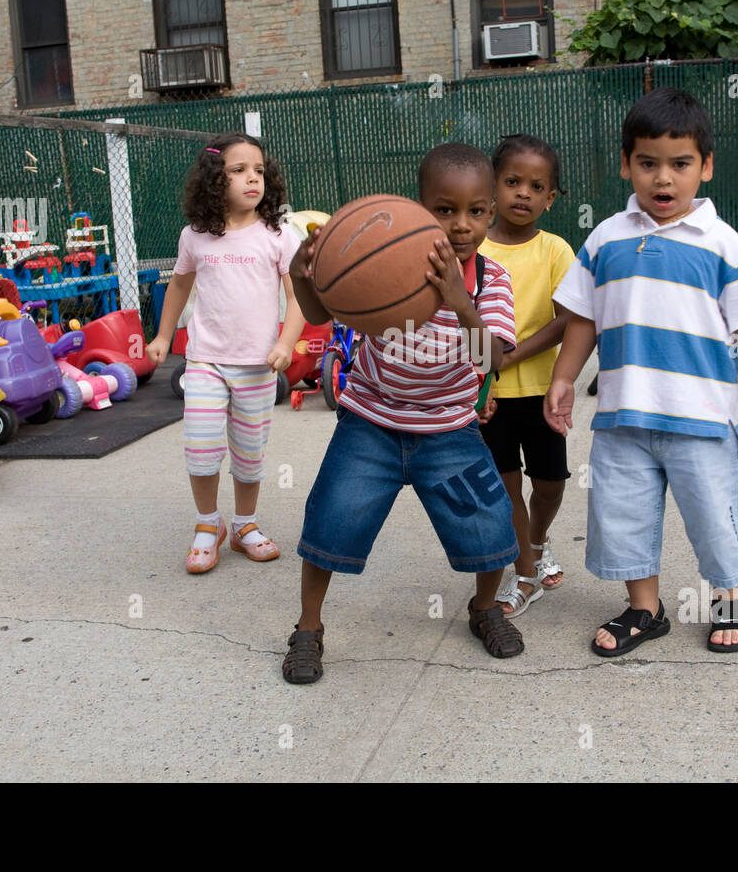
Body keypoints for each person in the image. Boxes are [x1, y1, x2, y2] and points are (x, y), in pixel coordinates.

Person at [545, 87, 738, 655]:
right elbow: (583, 321)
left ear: (706, 167)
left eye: (680, 164)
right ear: (626, 164)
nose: (662, 179)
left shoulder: (721, 245)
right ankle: (644, 610)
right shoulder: (605, 239)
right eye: (648, 163)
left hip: (702, 419)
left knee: (714, 516)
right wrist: (564, 377)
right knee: (622, 517)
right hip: (623, 419)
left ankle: (729, 597)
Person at [281, 143, 521, 685]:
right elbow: (325, 311)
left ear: (490, 212)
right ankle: (308, 628)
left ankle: (485, 609)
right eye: (444, 209)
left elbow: (493, 357)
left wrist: (461, 302)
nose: (462, 225)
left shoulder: (491, 281)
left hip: (450, 430)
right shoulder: (384, 261)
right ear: (419, 208)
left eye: (477, 211)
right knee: (329, 523)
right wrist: (304, 278)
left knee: (491, 529)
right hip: (371, 423)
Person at [145, 132, 305, 573]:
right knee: (200, 447)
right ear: (216, 180)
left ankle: (244, 526)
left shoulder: (279, 234)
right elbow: (179, 285)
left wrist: (286, 343)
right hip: (204, 361)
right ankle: (206, 525)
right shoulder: (195, 236)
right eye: (238, 171)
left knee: (250, 455)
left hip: (257, 365)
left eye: (258, 170)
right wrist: (162, 337)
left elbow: (298, 298)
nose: (252, 179)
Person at [478, 134, 575, 617]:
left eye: (536, 186)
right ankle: (522, 573)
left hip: (540, 391)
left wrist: (510, 356)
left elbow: (566, 320)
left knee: (551, 483)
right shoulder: (471, 247)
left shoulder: (555, 250)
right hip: (488, 395)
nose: (523, 193)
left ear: (550, 198)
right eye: (512, 181)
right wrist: (482, 374)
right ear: (492, 186)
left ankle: (536, 542)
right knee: (506, 486)